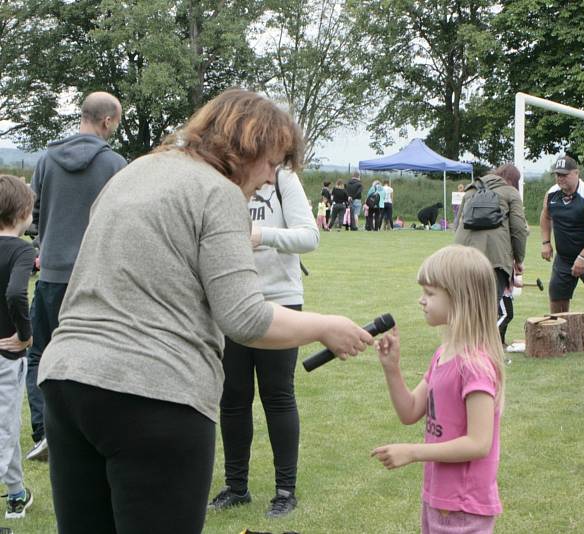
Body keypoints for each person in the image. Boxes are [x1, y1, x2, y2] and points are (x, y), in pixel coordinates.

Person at [35, 89, 374, 534]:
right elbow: (246, 318)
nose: (272, 178)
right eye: (272, 162)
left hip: (67, 380)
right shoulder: (218, 192)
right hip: (153, 392)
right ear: (246, 144)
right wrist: (326, 326)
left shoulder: (134, 171)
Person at [372, 244, 505, 533]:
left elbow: (479, 443)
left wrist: (413, 452)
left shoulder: (475, 365)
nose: (422, 300)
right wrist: (392, 368)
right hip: (438, 498)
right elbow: (410, 412)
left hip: (463, 507)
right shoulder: (444, 353)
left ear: (461, 299)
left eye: (430, 293)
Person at [209, 170, 319, 517]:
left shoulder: (283, 177)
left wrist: (261, 235)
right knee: (234, 397)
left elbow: (309, 237)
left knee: (277, 394)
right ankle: (236, 487)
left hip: (279, 300)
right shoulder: (224, 175)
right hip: (233, 298)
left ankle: (285, 491)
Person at [24, 91, 127, 462]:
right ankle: (88, 432)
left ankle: (45, 431)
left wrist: (42, 245)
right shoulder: (116, 165)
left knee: (42, 354)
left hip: (51, 272)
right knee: (96, 356)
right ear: (106, 121)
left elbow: (31, 212)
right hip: (95, 275)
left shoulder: (47, 160)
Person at [455, 164, 528, 340]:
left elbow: (457, 224)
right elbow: (519, 229)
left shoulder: (471, 190)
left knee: (467, 305)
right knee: (489, 308)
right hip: (495, 259)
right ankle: (481, 354)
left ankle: (460, 346)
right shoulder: (511, 193)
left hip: (463, 256)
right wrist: (518, 260)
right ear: (513, 181)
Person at [0, 175, 36, 519]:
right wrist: (25, 334)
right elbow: (15, 293)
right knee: (5, 430)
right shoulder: (24, 249)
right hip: (7, 356)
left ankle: (16, 493)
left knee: (5, 423)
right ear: (23, 212)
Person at [540, 156, 584, 313]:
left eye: (565, 174)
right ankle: (560, 331)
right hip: (564, 257)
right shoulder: (552, 194)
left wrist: (583, 257)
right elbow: (545, 216)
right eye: (558, 175)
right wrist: (546, 242)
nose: (560, 178)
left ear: (576, 173)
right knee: (557, 292)